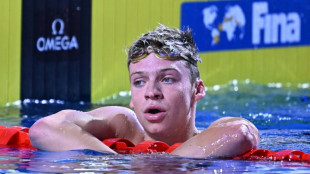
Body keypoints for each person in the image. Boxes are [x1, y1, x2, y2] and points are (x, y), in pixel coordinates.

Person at [29, 25, 259, 158]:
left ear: (197, 89)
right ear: (131, 96)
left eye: (167, 79)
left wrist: (163, 164)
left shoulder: (213, 131)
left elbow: (241, 133)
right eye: (139, 82)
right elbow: (44, 129)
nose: (152, 92)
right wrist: (114, 162)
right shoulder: (125, 125)